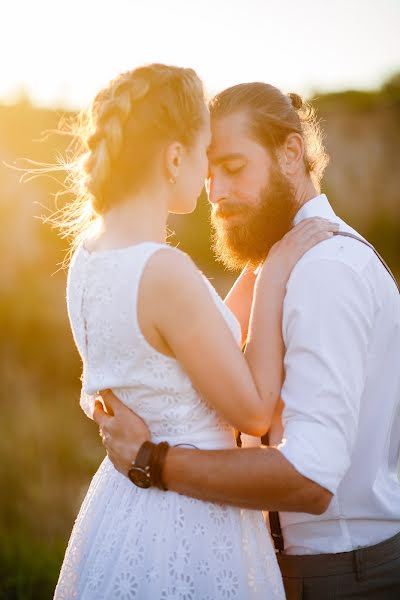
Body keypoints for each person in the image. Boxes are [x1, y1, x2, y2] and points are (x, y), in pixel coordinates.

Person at [96, 82, 400, 599]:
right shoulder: (280, 263)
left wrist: (154, 461)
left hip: (340, 577)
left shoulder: (324, 269)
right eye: (210, 174)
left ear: (290, 154)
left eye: (234, 169)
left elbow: (308, 479)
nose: (215, 194)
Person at [54, 64, 337, 599]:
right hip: (190, 520)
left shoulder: (90, 255)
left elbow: (187, 344)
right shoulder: (165, 271)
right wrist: (276, 272)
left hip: (123, 507)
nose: (211, 182)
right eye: (206, 154)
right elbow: (252, 409)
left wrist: (259, 263)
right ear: (175, 156)